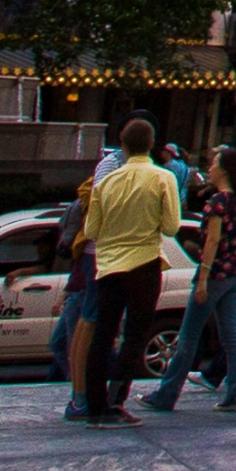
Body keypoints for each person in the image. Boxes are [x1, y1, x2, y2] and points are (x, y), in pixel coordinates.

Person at [73, 113, 180, 423]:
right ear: (152, 145)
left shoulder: (105, 183)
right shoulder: (163, 178)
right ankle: (115, 401)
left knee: (103, 334)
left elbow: (92, 229)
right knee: (134, 336)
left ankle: (93, 406)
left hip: (108, 267)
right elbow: (172, 227)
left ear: (123, 145)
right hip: (145, 263)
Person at [150, 145, 236, 413]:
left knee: (188, 337)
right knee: (231, 334)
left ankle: (166, 394)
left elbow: (212, 240)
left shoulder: (217, 203)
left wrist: (202, 279)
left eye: (214, 164)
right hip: (235, 274)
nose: (209, 168)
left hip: (215, 274)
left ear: (224, 170)